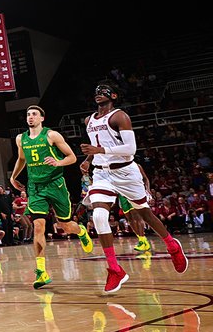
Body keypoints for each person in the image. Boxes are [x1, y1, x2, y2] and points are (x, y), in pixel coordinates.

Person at [80, 83, 187, 294]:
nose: (99, 93)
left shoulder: (120, 116)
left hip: (125, 172)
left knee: (145, 214)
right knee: (99, 217)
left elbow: (130, 148)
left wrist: (99, 150)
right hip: (101, 173)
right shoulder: (89, 120)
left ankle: (172, 245)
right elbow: (96, 145)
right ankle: (114, 269)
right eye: (96, 91)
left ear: (113, 96)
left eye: (104, 91)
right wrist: (88, 159)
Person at [9, 105, 94, 289]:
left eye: (34, 114)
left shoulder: (52, 135)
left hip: (55, 185)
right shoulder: (20, 138)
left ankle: (80, 231)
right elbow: (22, 159)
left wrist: (58, 162)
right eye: (28, 114)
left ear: (42, 118)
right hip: (35, 188)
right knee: (38, 227)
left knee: (65, 225)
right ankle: (41, 271)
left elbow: (72, 157)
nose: (30, 117)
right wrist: (13, 177)